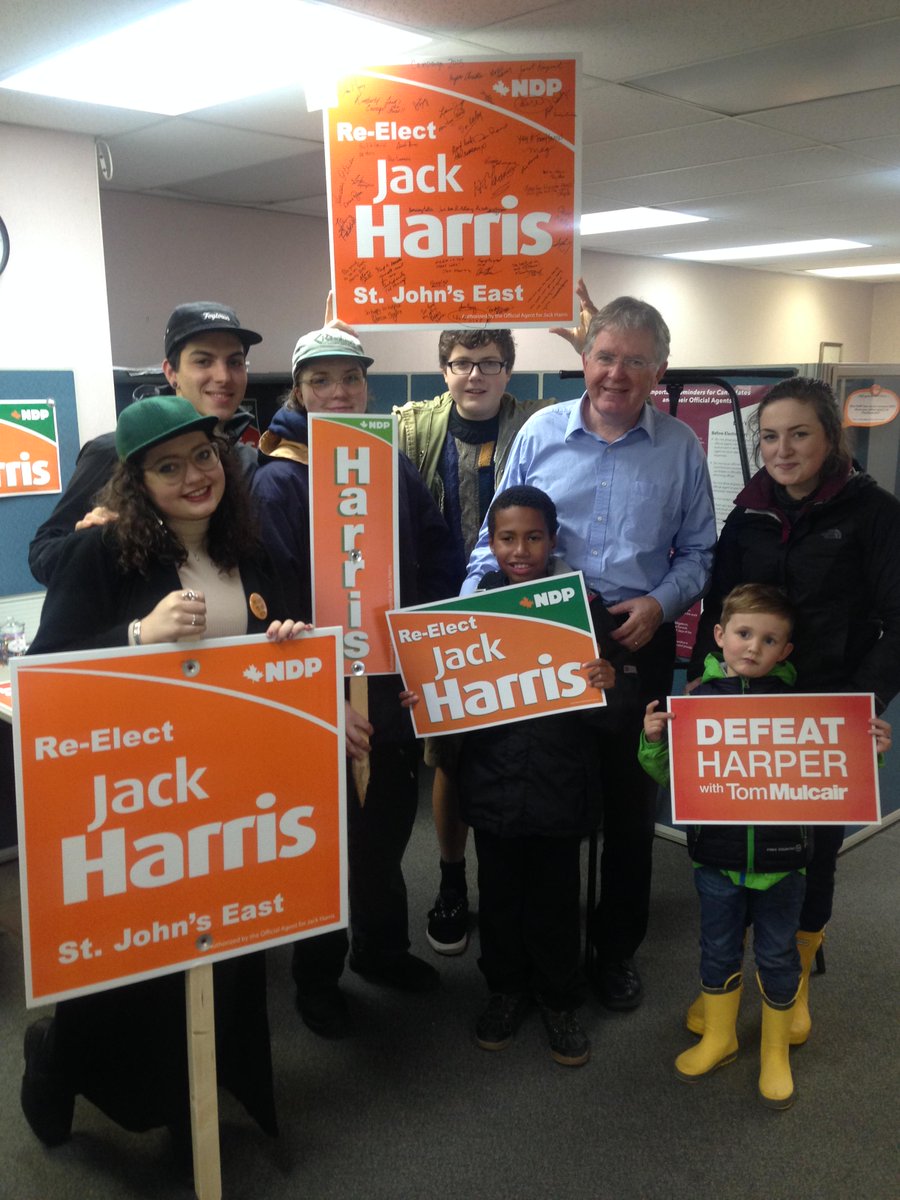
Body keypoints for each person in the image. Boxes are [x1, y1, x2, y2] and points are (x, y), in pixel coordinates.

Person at [20, 394, 309, 1163]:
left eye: (204, 457)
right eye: (168, 467)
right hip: (140, 806)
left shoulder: (252, 549)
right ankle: (56, 1059)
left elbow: (275, 662)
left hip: (231, 805)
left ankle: (196, 1103)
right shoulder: (100, 552)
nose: (194, 476)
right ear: (138, 481)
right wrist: (135, 635)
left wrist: (289, 646)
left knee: (225, 961)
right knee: (134, 977)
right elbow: (45, 676)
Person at [463, 295, 717, 1011]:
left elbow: (701, 553)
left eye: (636, 361)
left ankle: (614, 952)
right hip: (541, 634)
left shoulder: (680, 448)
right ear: (584, 358)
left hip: (634, 635)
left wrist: (660, 603)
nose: (617, 373)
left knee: (629, 810)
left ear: (659, 370)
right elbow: (492, 538)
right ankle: (537, 954)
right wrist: (474, 618)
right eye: (605, 356)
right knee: (540, 796)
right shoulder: (539, 431)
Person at [251, 325, 462, 1038]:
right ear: (298, 390)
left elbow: (437, 554)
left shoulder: (387, 462)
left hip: (390, 684)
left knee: (385, 832)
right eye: (322, 380)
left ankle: (381, 949)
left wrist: (425, 645)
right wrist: (317, 688)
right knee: (323, 846)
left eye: (351, 378)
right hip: (319, 696)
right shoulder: (278, 479)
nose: (339, 391)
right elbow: (274, 602)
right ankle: (317, 977)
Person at [687, 377, 900, 1044]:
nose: (782, 449)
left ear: (829, 437)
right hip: (743, 709)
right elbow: (719, 609)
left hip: (825, 710)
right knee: (737, 841)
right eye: (771, 436)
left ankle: (796, 973)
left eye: (799, 434)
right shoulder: (747, 514)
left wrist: (861, 706)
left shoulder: (874, 513)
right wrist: (700, 690)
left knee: (813, 848)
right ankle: (729, 975)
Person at [641, 584, 891, 1109]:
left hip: (784, 867)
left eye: (769, 640)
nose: (753, 647)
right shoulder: (696, 704)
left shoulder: (806, 708)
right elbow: (668, 777)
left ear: (786, 651)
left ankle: (775, 1053)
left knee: (778, 957)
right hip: (717, 862)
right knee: (717, 950)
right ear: (719, 636)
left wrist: (869, 752)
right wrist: (654, 740)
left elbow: (835, 778)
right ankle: (721, 1037)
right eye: (743, 633)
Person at [431, 485, 613, 1066]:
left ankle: (559, 998)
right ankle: (505, 991)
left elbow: (612, 706)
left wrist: (609, 682)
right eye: (507, 538)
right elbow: (448, 692)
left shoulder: (583, 605)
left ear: (553, 540)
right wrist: (427, 697)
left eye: (534, 537)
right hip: (493, 784)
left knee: (556, 901)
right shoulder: (471, 611)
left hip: (561, 783)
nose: (520, 549)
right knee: (500, 897)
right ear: (491, 542)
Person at [394, 328, 548, 955]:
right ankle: (453, 880)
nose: (475, 375)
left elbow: (602, 404)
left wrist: (586, 347)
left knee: (522, 751)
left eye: (490, 363)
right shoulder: (413, 431)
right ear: (444, 370)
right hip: (440, 615)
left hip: (515, 613)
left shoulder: (538, 425)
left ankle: (520, 888)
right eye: (462, 363)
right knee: (449, 756)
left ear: (509, 370)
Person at [28, 300, 262, 586]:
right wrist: (88, 542)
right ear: (171, 372)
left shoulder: (247, 461)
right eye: (203, 361)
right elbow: (43, 554)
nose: (223, 377)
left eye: (235, 362)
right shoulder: (116, 452)